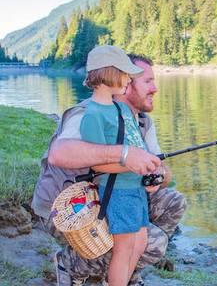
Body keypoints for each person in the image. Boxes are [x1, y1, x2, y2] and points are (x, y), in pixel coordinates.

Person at [32, 49, 187, 286]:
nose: (154, 88)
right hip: (67, 208)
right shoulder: (86, 113)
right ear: (124, 82)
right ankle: (72, 264)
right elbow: (58, 154)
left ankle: (126, 273)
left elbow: (163, 170)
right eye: (147, 81)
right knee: (151, 242)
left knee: (173, 202)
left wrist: (159, 174)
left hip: (118, 193)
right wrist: (124, 154)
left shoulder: (142, 121)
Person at [80, 45, 150, 286]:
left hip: (136, 188)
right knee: (124, 249)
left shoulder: (120, 107)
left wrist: (149, 163)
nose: (129, 79)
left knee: (139, 243)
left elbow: (134, 142)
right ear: (110, 73)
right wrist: (131, 165)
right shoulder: (93, 114)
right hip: (119, 192)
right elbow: (97, 163)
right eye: (125, 73)